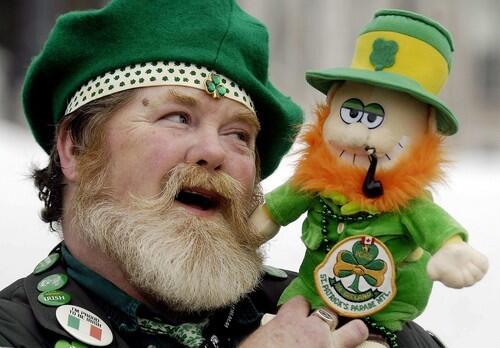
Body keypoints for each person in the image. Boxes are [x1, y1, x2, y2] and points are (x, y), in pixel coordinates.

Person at [0, 1, 445, 347]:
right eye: (177, 117)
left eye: (238, 135)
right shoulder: (16, 332)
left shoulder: (340, 316)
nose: (214, 152)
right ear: (74, 147)